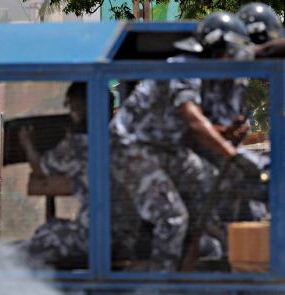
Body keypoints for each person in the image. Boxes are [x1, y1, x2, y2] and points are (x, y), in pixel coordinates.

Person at [109, 12, 259, 272]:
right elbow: (192, 119)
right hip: (130, 151)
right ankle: (161, 289)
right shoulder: (183, 66)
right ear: (215, 48)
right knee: (173, 218)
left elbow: (188, 128)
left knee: (214, 183)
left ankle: (228, 262)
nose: (233, 61)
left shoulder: (202, 72)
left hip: (165, 149)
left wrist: (224, 132)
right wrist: (232, 155)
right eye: (230, 52)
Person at [17, 82, 89, 265]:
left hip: (93, 236)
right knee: (51, 226)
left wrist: (27, 143)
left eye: (70, 107)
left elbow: (41, 169)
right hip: (125, 235)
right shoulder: (120, 136)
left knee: (15, 255)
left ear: (78, 108)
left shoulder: (78, 144)